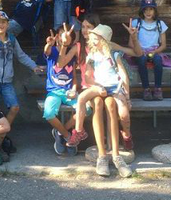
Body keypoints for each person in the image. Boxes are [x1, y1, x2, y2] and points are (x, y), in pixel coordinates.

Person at [70, 24, 133, 178]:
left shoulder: (113, 54)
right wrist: (97, 86)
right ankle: (102, 156)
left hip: (113, 89)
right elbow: (88, 76)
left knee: (111, 105)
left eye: (96, 37)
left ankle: (116, 156)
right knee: (97, 104)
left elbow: (123, 75)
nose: (92, 39)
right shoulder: (91, 55)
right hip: (98, 88)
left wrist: (127, 96)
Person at [74, 13, 142, 151]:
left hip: (112, 88)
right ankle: (94, 143)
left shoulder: (111, 48)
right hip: (94, 86)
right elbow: (84, 74)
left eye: (89, 27)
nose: (85, 30)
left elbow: (137, 54)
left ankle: (116, 146)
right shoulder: (82, 48)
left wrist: (134, 37)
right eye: (83, 27)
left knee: (113, 107)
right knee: (97, 103)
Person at [0, 11, 42, 128]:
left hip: (7, 82)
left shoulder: (12, 40)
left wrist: (34, 66)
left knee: (15, 107)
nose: (0, 25)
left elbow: (21, 55)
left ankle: (1, 132)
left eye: (3, 22)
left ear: (8, 24)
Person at [42, 24, 81, 155]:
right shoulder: (52, 50)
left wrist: (74, 89)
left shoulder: (72, 54)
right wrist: (49, 44)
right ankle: (67, 136)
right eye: (60, 34)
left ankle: (59, 132)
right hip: (54, 91)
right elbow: (46, 51)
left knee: (86, 109)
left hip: (68, 92)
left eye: (67, 35)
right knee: (48, 113)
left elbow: (74, 77)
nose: (63, 37)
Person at [130, 0, 169, 101]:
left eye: (151, 9)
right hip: (140, 51)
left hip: (154, 51)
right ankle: (146, 89)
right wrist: (139, 50)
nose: (148, 12)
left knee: (157, 60)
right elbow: (130, 43)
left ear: (155, 11)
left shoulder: (160, 24)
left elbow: (163, 45)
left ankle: (158, 89)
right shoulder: (136, 23)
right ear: (142, 11)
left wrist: (155, 51)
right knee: (142, 60)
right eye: (145, 9)